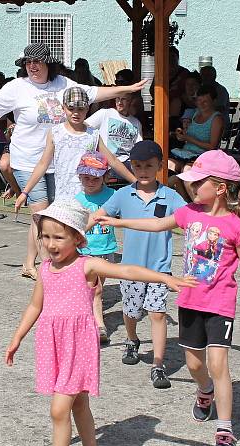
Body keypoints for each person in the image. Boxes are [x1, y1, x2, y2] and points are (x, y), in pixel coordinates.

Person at [5, 199, 195, 446]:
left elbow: (128, 271)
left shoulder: (87, 265)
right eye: (45, 236)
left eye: (59, 237)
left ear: (77, 238)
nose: (50, 244)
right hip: (53, 343)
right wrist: (17, 337)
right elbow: (35, 305)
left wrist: (163, 277)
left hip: (78, 345)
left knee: (59, 410)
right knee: (78, 403)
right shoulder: (44, 269)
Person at [97, 150, 240, 446]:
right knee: (194, 365)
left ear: (219, 187)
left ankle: (225, 430)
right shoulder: (189, 212)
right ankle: (204, 392)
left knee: (219, 365)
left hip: (220, 303)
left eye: (197, 182)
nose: (190, 187)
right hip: (190, 301)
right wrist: (114, 220)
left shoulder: (234, 225)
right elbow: (156, 224)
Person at [0, 43, 146, 280]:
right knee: (43, 214)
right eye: (28, 62)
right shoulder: (17, 87)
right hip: (27, 161)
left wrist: (125, 89)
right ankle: (51, 271)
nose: (32, 66)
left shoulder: (64, 84)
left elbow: (93, 92)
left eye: (37, 62)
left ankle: (30, 262)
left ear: (48, 64)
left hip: (60, 163)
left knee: (54, 216)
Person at [88, 141, 186, 388]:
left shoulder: (171, 196)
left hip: (159, 269)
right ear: (132, 166)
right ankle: (132, 339)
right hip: (129, 269)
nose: (143, 170)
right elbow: (98, 215)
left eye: (149, 166)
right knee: (131, 312)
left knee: (157, 313)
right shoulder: (123, 195)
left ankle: (158, 364)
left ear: (160, 167)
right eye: (138, 165)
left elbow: (190, 219)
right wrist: (77, 232)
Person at [14, 87, 135, 213]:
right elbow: (43, 164)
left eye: (81, 109)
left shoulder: (93, 134)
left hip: (88, 198)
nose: (76, 113)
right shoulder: (56, 132)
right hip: (63, 198)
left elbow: (113, 160)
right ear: (63, 108)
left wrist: (135, 181)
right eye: (71, 109)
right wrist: (25, 192)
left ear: (87, 108)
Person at [74, 153, 117, 343]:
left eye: (95, 178)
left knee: (97, 288)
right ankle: (99, 326)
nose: (90, 182)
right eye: (86, 178)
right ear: (80, 177)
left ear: (105, 177)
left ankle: (88, 315)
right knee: (96, 289)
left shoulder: (113, 196)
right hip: (85, 251)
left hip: (106, 250)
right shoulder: (77, 199)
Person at [169, 84, 225, 201]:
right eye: (199, 101)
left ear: (213, 101)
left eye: (206, 101)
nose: (202, 104)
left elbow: (212, 146)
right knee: (167, 165)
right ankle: (183, 204)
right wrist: (181, 136)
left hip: (203, 157)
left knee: (187, 171)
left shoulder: (216, 119)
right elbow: (189, 136)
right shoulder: (195, 114)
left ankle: (197, 203)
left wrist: (189, 138)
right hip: (185, 154)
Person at [85, 92, 143, 180]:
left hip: (128, 163)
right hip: (107, 163)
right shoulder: (105, 113)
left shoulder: (136, 122)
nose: (119, 102)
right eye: (117, 99)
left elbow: (139, 147)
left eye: (123, 99)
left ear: (130, 102)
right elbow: (84, 126)